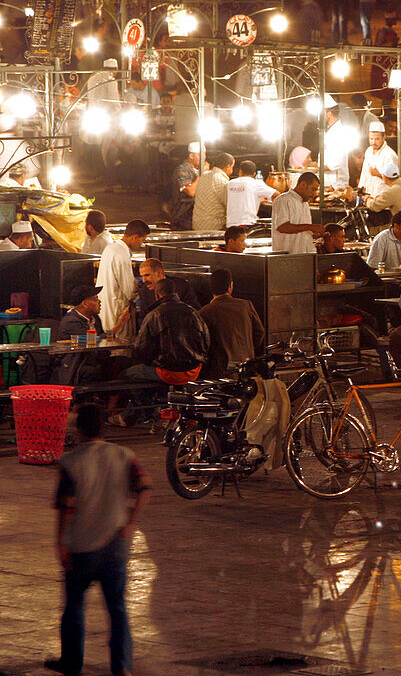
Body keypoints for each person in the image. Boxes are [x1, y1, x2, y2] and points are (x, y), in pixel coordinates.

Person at [46, 403, 150, 676]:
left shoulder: (71, 461)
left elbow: (67, 507)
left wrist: (60, 542)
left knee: (74, 606)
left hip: (82, 545)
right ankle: (122, 667)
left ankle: (71, 663)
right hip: (116, 544)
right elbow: (145, 487)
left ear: (78, 429)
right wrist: (130, 523)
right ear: (103, 427)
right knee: (117, 608)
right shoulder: (124, 455)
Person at [126, 279, 209, 386]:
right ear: (176, 294)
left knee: (127, 374)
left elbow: (141, 350)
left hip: (167, 373)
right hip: (194, 371)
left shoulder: (154, 315)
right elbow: (206, 343)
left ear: (157, 295)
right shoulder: (193, 312)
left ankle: (145, 401)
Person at [198, 268, 265, 379]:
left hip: (220, 371)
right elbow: (260, 332)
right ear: (230, 286)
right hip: (247, 367)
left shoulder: (204, 312)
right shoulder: (245, 305)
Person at [95, 219, 149, 333]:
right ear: (134, 237)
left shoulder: (110, 248)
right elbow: (129, 291)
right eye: (142, 240)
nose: (141, 244)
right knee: (119, 346)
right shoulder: (121, 256)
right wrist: (143, 290)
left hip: (106, 306)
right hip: (117, 311)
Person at [54, 286, 108, 386]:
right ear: (84, 304)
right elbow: (93, 342)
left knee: (122, 362)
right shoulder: (71, 321)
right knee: (105, 371)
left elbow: (102, 342)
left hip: (94, 362)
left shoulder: (95, 318)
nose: (99, 302)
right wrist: (119, 325)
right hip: (76, 367)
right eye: (96, 299)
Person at [271, 172, 325, 254]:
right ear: (303, 184)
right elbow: (282, 227)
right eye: (313, 189)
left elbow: (302, 231)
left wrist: (315, 234)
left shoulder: (305, 203)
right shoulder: (283, 200)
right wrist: (310, 227)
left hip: (306, 255)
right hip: (289, 256)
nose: (314, 194)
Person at [226, 160, 281, 228]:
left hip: (230, 224)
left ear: (240, 171)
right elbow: (277, 194)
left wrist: (257, 201)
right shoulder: (256, 183)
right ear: (254, 174)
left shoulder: (230, 183)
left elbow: (239, 198)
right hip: (247, 224)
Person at [192, 152, 234, 231]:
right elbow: (229, 204)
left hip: (197, 224)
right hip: (213, 226)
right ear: (228, 166)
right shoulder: (221, 180)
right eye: (232, 167)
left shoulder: (204, 175)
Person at [169, 142, 202, 228]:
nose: (203, 158)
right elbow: (190, 192)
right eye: (200, 155)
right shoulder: (181, 170)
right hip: (182, 218)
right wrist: (201, 175)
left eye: (204, 154)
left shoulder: (202, 171)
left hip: (198, 217)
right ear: (191, 156)